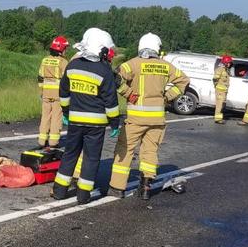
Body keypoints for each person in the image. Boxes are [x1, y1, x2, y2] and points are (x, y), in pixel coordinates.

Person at [108, 33, 189, 200]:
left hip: (136, 118)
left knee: (125, 150)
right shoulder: (166, 66)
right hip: (157, 119)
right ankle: (145, 187)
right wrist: (167, 97)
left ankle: (117, 188)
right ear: (156, 48)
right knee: (150, 151)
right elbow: (184, 81)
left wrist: (128, 93)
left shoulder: (133, 64)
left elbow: (114, 77)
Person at [52, 28, 120, 205]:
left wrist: (66, 113)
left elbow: (64, 93)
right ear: (101, 49)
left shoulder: (72, 65)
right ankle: (83, 196)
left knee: (69, 154)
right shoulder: (104, 71)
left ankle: (59, 191)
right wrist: (114, 123)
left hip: (75, 121)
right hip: (96, 125)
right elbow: (111, 102)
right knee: (91, 158)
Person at [37, 36, 70, 148]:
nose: (66, 50)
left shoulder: (45, 60)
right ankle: (53, 142)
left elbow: (40, 77)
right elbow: (67, 80)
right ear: (61, 49)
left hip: (46, 94)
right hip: (58, 95)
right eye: (65, 48)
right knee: (56, 118)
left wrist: (42, 90)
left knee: (45, 117)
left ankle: (42, 141)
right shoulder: (64, 62)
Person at [213, 55, 233, 124]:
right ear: (225, 62)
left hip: (224, 91)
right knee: (219, 105)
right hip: (220, 91)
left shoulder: (226, 70)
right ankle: (218, 119)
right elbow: (215, 79)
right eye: (229, 62)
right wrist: (217, 87)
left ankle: (219, 118)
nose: (230, 64)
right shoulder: (220, 69)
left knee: (222, 105)